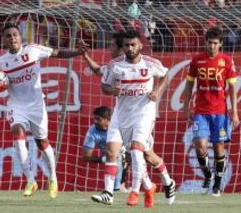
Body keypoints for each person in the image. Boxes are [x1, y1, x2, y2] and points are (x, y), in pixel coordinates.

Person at [0, 22, 88, 198]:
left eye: (15, 34)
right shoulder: (1, 62)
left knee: (42, 143)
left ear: (20, 37)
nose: (12, 38)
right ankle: (30, 180)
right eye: (8, 36)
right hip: (16, 104)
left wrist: (78, 51)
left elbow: (58, 53)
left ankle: (53, 178)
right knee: (18, 136)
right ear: (3, 40)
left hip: (36, 104)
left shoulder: (33, 50)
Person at [86, 31, 175, 205]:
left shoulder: (151, 64)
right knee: (114, 152)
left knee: (136, 150)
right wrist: (113, 90)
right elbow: (104, 85)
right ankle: (112, 193)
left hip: (144, 114)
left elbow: (165, 75)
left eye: (133, 45)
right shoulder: (115, 65)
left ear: (140, 45)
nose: (130, 48)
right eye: (127, 45)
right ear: (123, 47)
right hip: (121, 115)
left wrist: (157, 91)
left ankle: (135, 191)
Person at [183, 26, 239, 197]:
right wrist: (186, 107)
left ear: (220, 44)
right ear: (205, 42)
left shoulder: (227, 61)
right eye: (210, 43)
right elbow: (189, 84)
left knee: (218, 147)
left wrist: (235, 112)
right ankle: (207, 174)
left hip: (220, 112)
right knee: (200, 145)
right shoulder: (197, 60)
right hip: (200, 110)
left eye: (215, 43)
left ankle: (217, 183)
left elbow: (232, 88)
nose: (212, 46)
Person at [82, 106, 129, 192]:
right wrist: (104, 159)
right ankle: (119, 189)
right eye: (94, 119)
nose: (95, 121)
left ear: (107, 119)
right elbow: (86, 156)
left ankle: (121, 189)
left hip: (128, 151)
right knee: (116, 159)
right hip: (115, 157)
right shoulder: (92, 131)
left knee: (122, 157)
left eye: (98, 119)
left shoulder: (119, 127)